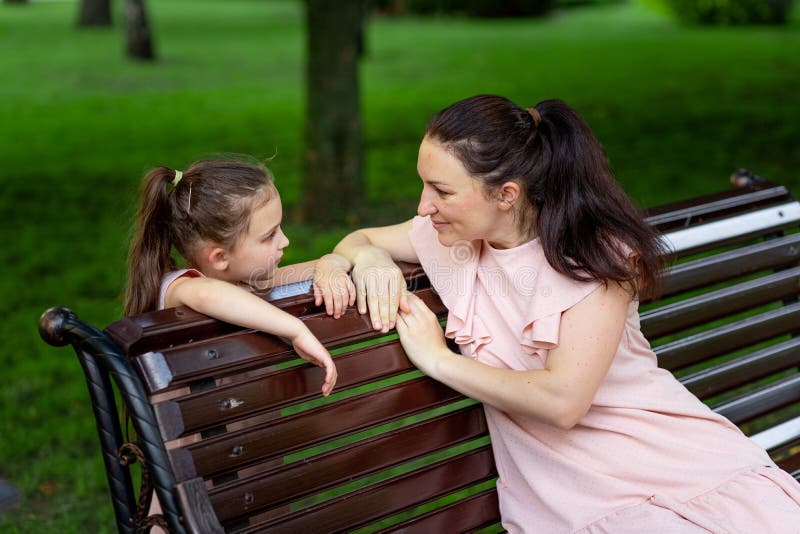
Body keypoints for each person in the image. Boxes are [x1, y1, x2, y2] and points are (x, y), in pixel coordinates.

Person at [313, 95, 800, 532]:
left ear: (507, 194)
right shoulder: (451, 242)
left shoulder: (596, 256)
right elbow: (362, 239)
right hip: (575, 496)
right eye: (424, 186)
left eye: (441, 191)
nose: (424, 207)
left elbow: (563, 402)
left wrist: (439, 359)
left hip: (674, 463)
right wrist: (366, 258)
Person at [126, 158, 337, 396]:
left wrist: (331, 263)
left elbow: (310, 270)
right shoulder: (178, 289)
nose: (285, 241)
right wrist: (296, 330)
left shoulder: (244, 281)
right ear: (219, 258)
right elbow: (208, 294)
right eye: (269, 236)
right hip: (204, 429)